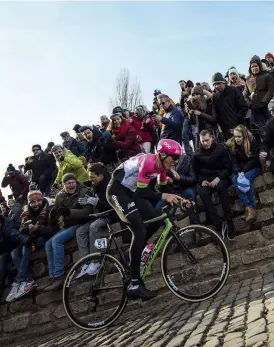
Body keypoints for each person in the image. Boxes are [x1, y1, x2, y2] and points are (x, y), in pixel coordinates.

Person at [106, 139, 191, 299]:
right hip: (116, 191)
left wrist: (181, 199)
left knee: (157, 218)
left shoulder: (163, 167)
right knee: (138, 230)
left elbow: (164, 187)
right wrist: (164, 196)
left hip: (130, 191)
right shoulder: (148, 162)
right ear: (162, 154)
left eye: (177, 159)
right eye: (173, 157)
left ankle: (135, 252)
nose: (175, 161)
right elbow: (143, 193)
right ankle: (134, 283)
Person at [44, 173, 94, 291]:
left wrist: (69, 212)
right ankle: (52, 277)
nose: (71, 185)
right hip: (68, 225)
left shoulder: (84, 191)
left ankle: (59, 275)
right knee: (48, 244)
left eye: (73, 182)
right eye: (68, 183)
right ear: (63, 185)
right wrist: (52, 215)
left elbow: (88, 211)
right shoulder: (60, 196)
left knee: (57, 240)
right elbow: (55, 212)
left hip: (80, 223)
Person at [6, 190, 55, 302]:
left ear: (42, 199)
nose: (36, 204)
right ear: (29, 202)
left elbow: (53, 229)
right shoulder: (26, 212)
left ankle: (19, 280)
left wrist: (37, 229)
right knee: (14, 252)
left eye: (38, 200)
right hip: (30, 238)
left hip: (43, 238)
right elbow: (21, 230)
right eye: (33, 202)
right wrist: (26, 228)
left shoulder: (49, 209)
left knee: (26, 247)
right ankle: (28, 280)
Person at [76, 163, 116, 278]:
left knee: (94, 227)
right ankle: (86, 262)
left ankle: (96, 260)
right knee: (80, 231)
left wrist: (95, 202)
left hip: (111, 215)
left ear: (101, 176)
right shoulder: (95, 186)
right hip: (100, 214)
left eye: (93, 177)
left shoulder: (110, 186)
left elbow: (112, 205)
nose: (91, 179)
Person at [193, 130, 234, 240]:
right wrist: (201, 181)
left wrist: (219, 177)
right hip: (206, 179)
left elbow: (228, 168)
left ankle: (229, 222)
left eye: (207, 140)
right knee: (203, 193)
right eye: (203, 141)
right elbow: (196, 172)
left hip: (221, 177)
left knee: (221, 187)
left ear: (212, 138)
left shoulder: (221, 149)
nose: (205, 143)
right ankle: (218, 224)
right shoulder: (197, 154)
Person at [226, 125, 261, 223]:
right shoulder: (232, 146)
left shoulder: (252, 142)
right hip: (240, 169)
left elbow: (254, 159)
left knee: (245, 178)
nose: (237, 139)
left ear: (244, 136)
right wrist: (238, 171)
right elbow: (234, 162)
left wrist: (243, 171)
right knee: (234, 179)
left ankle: (252, 207)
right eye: (235, 136)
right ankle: (248, 208)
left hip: (254, 167)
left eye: (239, 137)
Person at [244, 55, 274, 138]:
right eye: (252, 66)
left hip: (267, 107)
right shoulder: (248, 80)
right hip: (255, 109)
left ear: (260, 66)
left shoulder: (267, 76)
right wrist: (250, 105)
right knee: (260, 130)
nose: (254, 68)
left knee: (271, 126)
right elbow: (245, 95)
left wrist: (263, 102)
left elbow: (271, 90)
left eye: (256, 66)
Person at [212, 72, 248, 140]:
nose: (217, 86)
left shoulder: (234, 90)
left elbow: (244, 106)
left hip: (238, 126)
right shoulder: (215, 97)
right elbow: (217, 113)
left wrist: (238, 120)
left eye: (219, 83)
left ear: (223, 82)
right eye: (215, 84)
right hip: (225, 129)